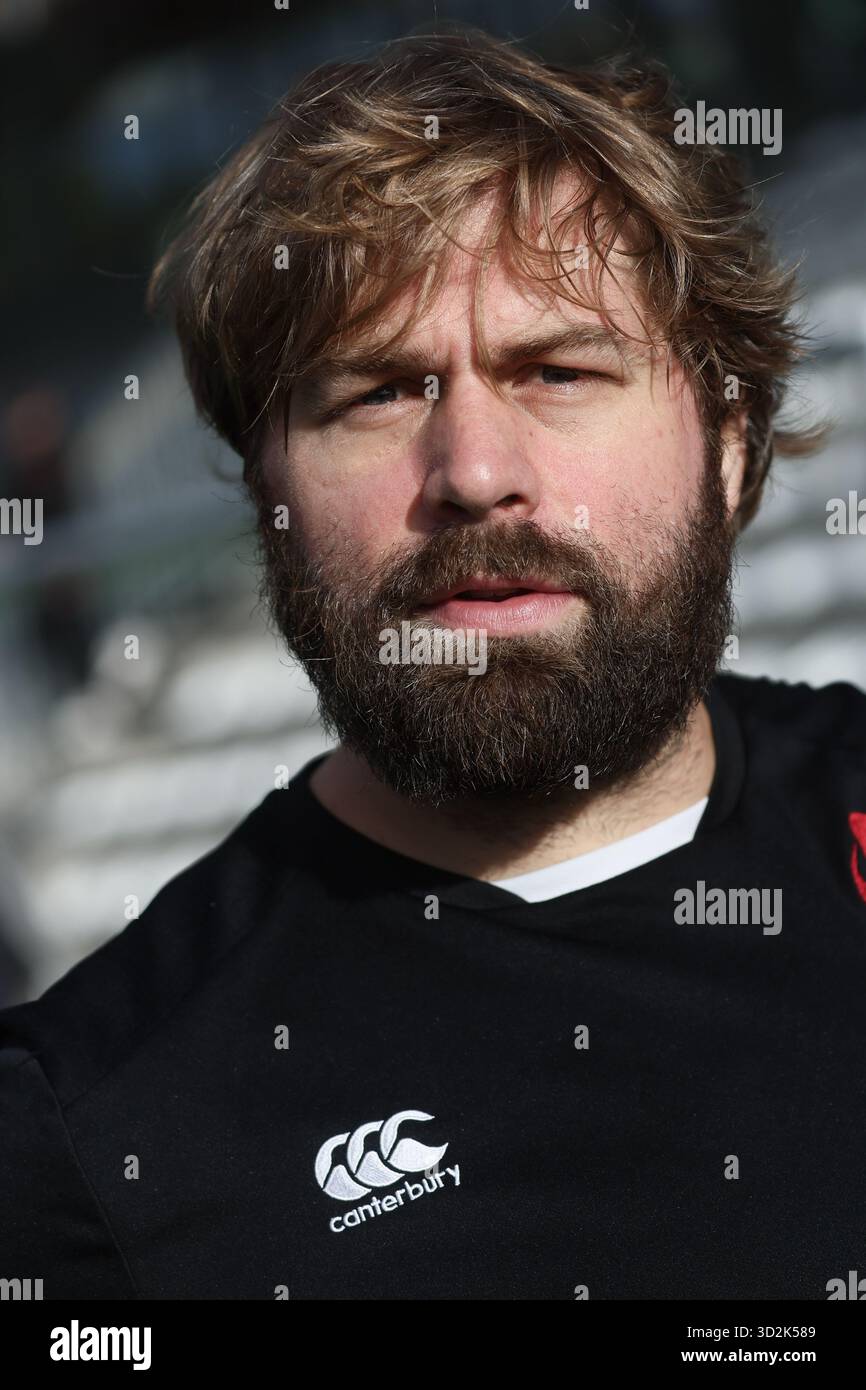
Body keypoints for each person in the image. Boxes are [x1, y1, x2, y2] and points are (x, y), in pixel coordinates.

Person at [1, 27, 863, 1301]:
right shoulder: (83, 1138)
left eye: (557, 370)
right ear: (264, 487)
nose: (472, 472)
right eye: (379, 392)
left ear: (729, 442)